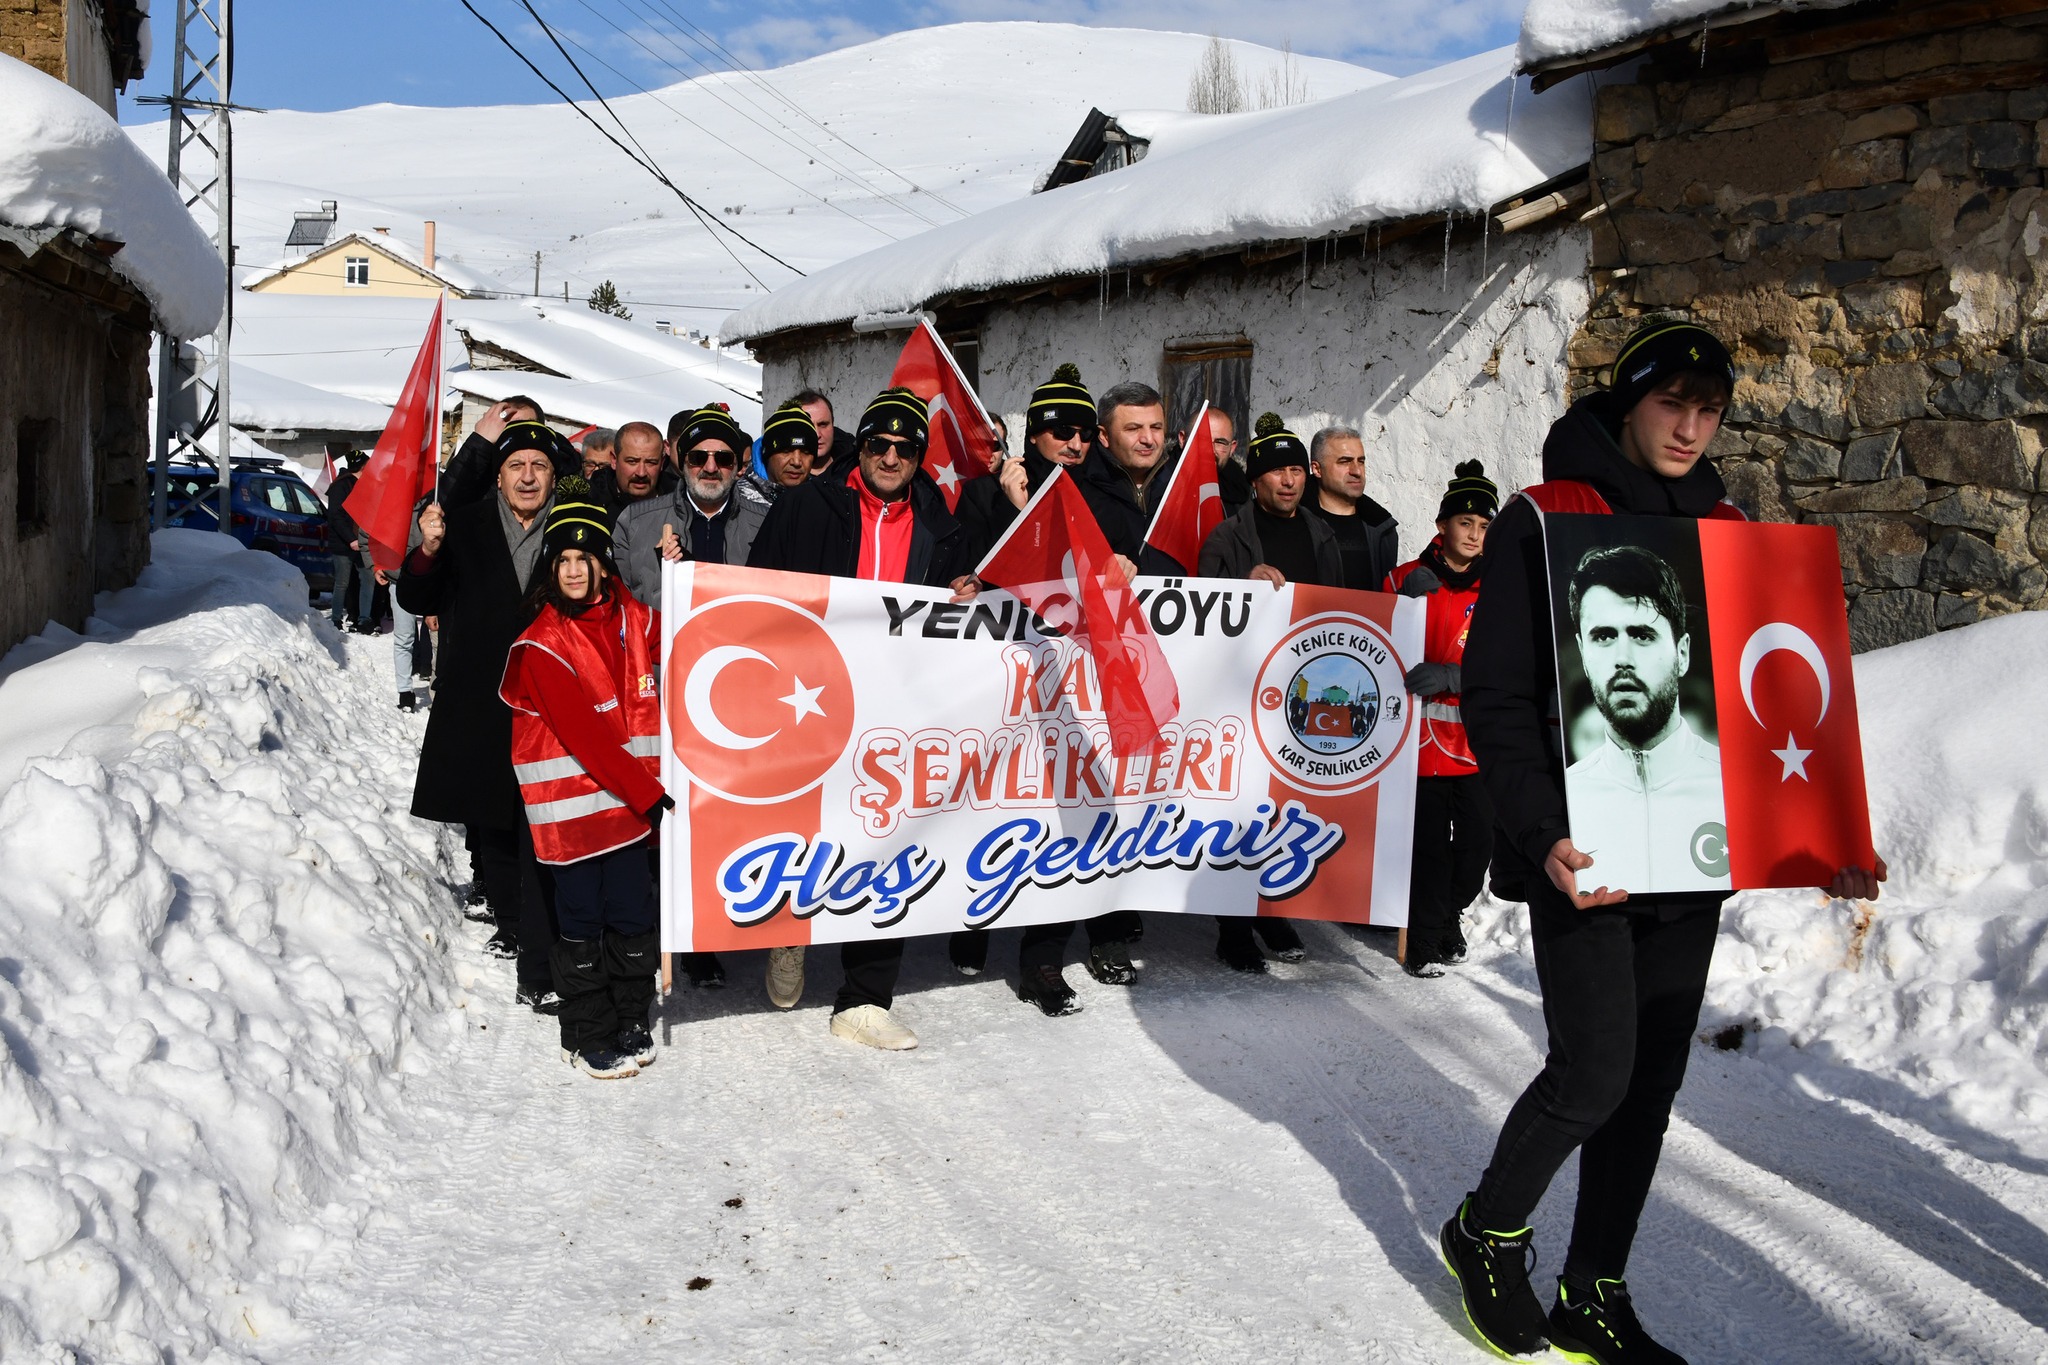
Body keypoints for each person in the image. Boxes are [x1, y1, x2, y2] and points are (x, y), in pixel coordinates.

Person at [1441, 321, 1887, 1363]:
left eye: (1708, 411)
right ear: (1626, 404)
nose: (1689, 428)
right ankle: (1485, 1230)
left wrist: (1822, 832)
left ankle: (1593, 1288)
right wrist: (1544, 833)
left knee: (1646, 1089)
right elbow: (1494, 698)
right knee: (1593, 1073)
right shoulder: (1543, 516)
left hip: (1687, 853)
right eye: (1668, 405)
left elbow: (1760, 703)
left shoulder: (1728, 525)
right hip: (1583, 852)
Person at [744, 387, 972, 1050]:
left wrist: (966, 594)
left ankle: (865, 999)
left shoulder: (943, 526)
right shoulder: (807, 505)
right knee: (803, 826)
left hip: (895, 706)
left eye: (905, 448)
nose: (891, 458)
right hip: (808, 697)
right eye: (878, 444)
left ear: (920, 457)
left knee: (885, 838)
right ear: (860, 446)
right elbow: (755, 588)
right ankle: (789, 930)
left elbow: (965, 605)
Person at [946, 363, 1114, 1015]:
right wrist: (1014, 514)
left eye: (1084, 432)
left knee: (1065, 815)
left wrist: (1131, 565)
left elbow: (1126, 567)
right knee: (991, 804)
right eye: (1061, 430)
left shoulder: (1103, 494)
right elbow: (965, 567)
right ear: (1035, 434)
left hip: (1070, 689)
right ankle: (974, 920)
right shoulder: (986, 494)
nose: (1075, 442)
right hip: (999, 685)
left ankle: (1043, 959)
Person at [400, 420, 574, 1012]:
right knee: (493, 817)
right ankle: (517, 927)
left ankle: (542, 930)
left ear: (553, 477)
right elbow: (415, 598)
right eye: (516, 466)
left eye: (539, 467)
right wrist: (427, 550)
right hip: (480, 693)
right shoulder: (463, 525)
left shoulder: (571, 528)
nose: (528, 477)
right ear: (498, 477)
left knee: (542, 815)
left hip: (552, 697)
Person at [500, 482, 668, 1079]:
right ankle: (587, 1031)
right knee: (581, 924)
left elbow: (691, 636)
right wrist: (650, 794)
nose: (573, 570)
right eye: (562, 560)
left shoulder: (633, 620)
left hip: (626, 811)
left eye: (584, 558)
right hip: (575, 816)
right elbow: (586, 736)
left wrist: (681, 579)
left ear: (602, 564)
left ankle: (630, 1017)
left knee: (631, 916)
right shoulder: (541, 644)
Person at [1196, 412, 1334, 972]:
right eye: (1277, 471)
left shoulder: (1322, 533)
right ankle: (1233, 929)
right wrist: (1241, 586)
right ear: (1255, 480)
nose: (1289, 480)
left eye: (1296, 470)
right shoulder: (1227, 536)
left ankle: (1272, 911)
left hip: (1300, 691)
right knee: (1242, 809)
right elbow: (1200, 612)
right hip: (1241, 691)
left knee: (1288, 806)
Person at [1384, 460, 1497, 978]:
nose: (1474, 534)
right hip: (1417, 742)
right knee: (1428, 849)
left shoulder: (1500, 587)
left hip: (1474, 743)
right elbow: (1370, 649)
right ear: (1441, 525)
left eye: (1483, 525)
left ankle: (1449, 914)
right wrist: (1398, 608)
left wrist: (1454, 676)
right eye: (1464, 523)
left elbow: (1512, 661)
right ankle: (1425, 939)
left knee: (1476, 847)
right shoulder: (1403, 579)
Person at [1559, 545, 1726, 893]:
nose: (1623, 658)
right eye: (1604, 636)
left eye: (1642, 635)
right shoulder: (1563, 800)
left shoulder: (1733, 787)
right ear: (1584, 655)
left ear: (1682, 653)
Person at [1305, 426, 1401, 592]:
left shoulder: (1382, 528)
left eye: (1361, 461)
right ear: (1317, 469)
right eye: (1345, 462)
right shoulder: (1296, 522)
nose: (1357, 471)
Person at [439, 396, 550, 510]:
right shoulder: (479, 478)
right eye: (505, 428)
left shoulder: (549, 473)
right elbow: (439, 509)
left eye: (522, 429)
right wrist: (480, 441)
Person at [325, 452, 374, 632]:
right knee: (342, 582)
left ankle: (364, 619)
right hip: (343, 543)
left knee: (368, 579)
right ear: (362, 466)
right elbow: (336, 516)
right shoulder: (340, 486)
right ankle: (336, 619)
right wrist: (351, 539)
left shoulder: (368, 484)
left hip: (363, 541)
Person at [595, 420, 676, 513]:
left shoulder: (680, 502)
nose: (641, 473)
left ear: (662, 463)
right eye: (632, 462)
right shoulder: (591, 501)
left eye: (651, 462)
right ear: (614, 460)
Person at [754, 402, 820, 496]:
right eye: (786, 451)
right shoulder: (736, 499)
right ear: (767, 454)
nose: (796, 462)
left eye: (805, 452)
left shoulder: (824, 499)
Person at [793, 388, 858, 476]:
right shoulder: (784, 477)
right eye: (808, 427)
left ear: (832, 424)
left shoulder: (856, 464)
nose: (817, 434)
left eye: (823, 424)